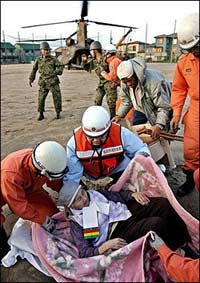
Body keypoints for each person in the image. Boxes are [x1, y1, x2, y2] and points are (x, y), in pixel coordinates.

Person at [58, 180, 191, 258]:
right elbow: (84, 252)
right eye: (78, 200)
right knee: (156, 224)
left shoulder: (94, 194)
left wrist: (132, 194)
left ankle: (184, 239)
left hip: (123, 212)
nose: (85, 198)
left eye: (82, 193)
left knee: (162, 204)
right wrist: (105, 246)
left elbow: (117, 197)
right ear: (71, 206)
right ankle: (177, 253)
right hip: (114, 233)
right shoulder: (76, 223)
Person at [1, 141, 68, 259]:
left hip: (28, 188)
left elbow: (56, 182)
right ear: (43, 171)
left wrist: (68, 196)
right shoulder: (11, 174)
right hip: (7, 189)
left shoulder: (45, 159)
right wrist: (43, 221)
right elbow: (18, 206)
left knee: (52, 213)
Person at [64, 105, 151, 185]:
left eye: (101, 136)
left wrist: (141, 161)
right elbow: (74, 174)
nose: (96, 141)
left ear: (109, 130)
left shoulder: (120, 133)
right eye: (91, 137)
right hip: (90, 179)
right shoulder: (74, 144)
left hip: (119, 172)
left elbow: (140, 148)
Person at [170, 13, 199, 197]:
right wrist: (176, 114)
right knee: (191, 149)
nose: (194, 51)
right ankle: (190, 181)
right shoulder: (184, 62)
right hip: (196, 109)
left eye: (197, 47)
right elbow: (179, 89)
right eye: (191, 49)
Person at [113, 56, 173, 139]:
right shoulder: (125, 82)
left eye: (130, 80)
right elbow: (126, 101)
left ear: (136, 74)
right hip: (140, 108)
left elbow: (164, 107)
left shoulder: (154, 83)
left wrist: (159, 125)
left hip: (158, 108)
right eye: (125, 82)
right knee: (136, 133)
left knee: (161, 135)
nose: (128, 84)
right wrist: (119, 115)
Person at [81, 41, 119, 118]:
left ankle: (113, 119)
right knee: (97, 101)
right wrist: (84, 61)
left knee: (111, 103)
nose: (91, 52)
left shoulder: (106, 59)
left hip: (109, 83)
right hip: (101, 83)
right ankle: (97, 117)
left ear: (95, 51)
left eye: (91, 51)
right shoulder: (94, 61)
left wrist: (116, 82)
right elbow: (86, 67)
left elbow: (115, 69)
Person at [29, 41, 64, 121]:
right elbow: (34, 70)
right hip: (43, 82)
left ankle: (58, 113)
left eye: (48, 50)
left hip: (53, 82)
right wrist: (31, 79)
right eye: (45, 50)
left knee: (57, 97)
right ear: (41, 50)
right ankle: (41, 114)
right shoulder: (38, 60)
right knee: (41, 98)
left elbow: (60, 69)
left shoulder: (54, 59)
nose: (46, 51)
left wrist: (54, 72)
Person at [99, 44, 122, 117]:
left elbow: (112, 77)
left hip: (123, 86)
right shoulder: (115, 60)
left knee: (113, 104)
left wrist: (103, 72)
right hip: (120, 83)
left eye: (105, 52)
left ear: (108, 53)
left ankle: (114, 119)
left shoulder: (113, 62)